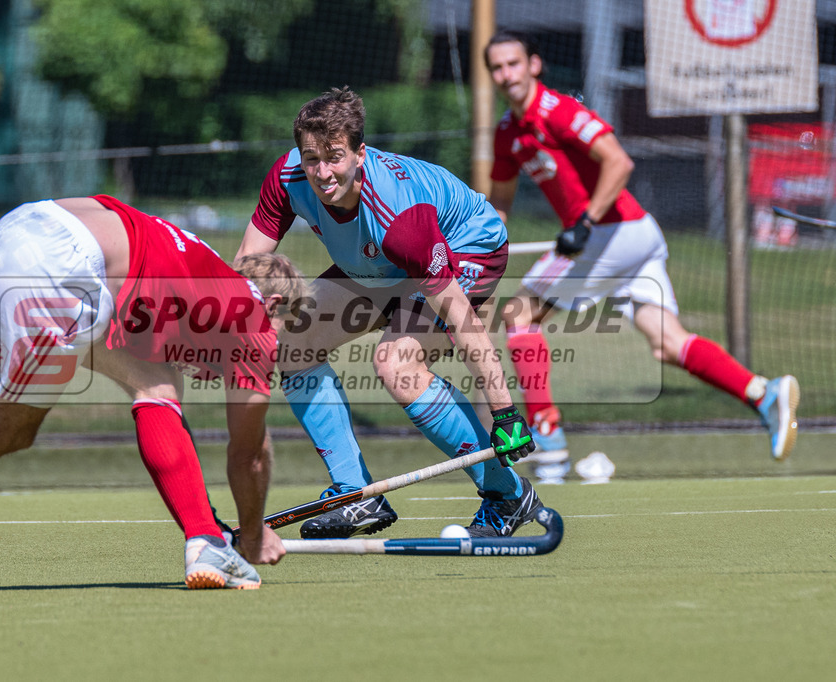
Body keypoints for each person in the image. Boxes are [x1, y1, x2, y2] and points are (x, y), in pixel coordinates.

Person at [0, 195, 308, 590]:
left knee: (12, 429)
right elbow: (250, 455)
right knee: (149, 390)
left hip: (19, 230)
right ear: (278, 304)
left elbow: (118, 350)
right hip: (70, 261)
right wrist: (251, 532)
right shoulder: (252, 319)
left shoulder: (190, 264)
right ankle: (206, 543)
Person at [484, 30, 799, 482]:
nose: (506, 74)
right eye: (497, 67)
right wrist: (480, 249)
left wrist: (585, 221)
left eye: (513, 63)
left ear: (534, 65)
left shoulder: (560, 111)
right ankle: (764, 394)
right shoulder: (508, 133)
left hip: (614, 232)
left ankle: (547, 438)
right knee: (668, 342)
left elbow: (619, 162)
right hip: (628, 238)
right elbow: (500, 203)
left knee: (519, 315)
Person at [235, 86, 539, 541]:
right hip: (378, 262)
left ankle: (506, 493)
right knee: (293, 342)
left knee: (397, 365)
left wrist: (505, 412)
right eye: (311, 158)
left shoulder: (401, 218)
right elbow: (247, 267)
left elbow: (463, 322)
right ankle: (355, 496)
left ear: (361, 152)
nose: (321, 172)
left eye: (334, 157)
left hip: (466, 246)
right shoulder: (287, 178)